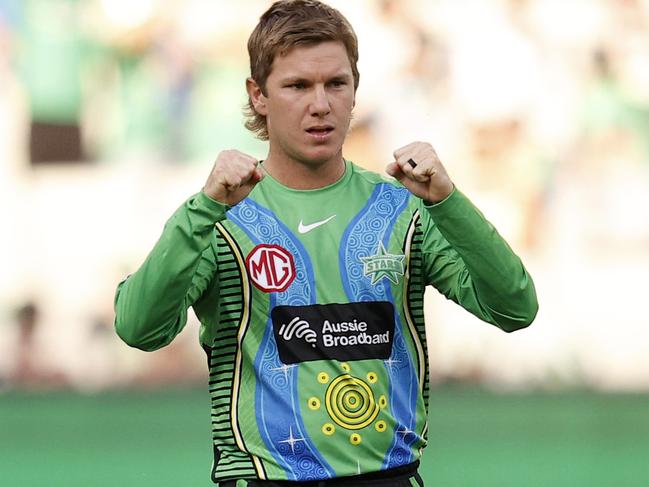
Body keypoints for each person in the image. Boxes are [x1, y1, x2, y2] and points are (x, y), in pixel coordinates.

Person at [114, 1, 538, 485]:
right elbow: (138, 328)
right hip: (264, 476)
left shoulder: (403, 208)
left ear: (355, 91)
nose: (321, 104)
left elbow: (515, 307)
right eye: (297, 86)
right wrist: (202, 210)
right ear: (258, 96)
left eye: (336, 83)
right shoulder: (221, 214)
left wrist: (449, 201)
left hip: (390, 476)